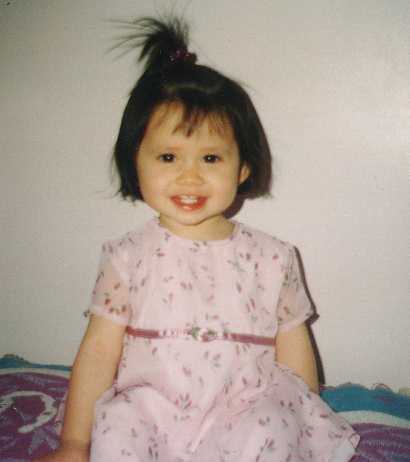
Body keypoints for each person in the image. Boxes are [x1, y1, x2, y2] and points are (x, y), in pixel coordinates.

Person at [36, 16, 359, 462]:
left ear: (242, 168)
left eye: (210, 158)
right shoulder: (126, 257)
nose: (190, 177)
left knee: (272, 426)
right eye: (169, 157)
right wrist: (74, 443)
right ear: (135, 163)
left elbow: (293, 346)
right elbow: (98, 351)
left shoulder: (273, 258)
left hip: (243, 407)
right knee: (119, 424)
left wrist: (305, 422)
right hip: (151, 406)